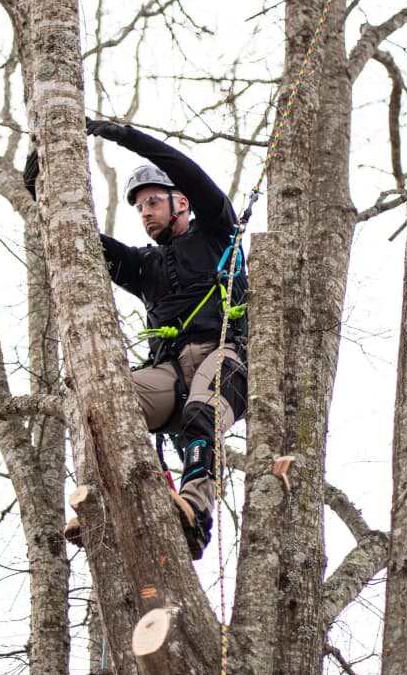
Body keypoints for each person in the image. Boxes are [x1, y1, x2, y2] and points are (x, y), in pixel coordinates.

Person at [23, 118, 247, 559]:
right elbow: (82, 239)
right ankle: (107, 506)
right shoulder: (144, 267)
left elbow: (184, 169)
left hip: (226, 355)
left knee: (203, 413)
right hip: (168, 372)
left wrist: (120, 135)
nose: (144, 213)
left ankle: (195, 510)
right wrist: (40, 189)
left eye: (152, 202)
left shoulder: (217, 231)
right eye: (139, 207)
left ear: (180, 202)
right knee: (104, 402)